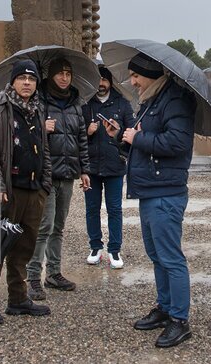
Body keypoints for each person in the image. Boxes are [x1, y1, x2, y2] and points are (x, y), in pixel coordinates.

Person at [121, 53, 196, 349]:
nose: (132, 81)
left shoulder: (174, 100)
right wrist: (123, 138)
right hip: (152, 189)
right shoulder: (153, 100)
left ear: (149, 74)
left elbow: (178, 143)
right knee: (157, 255)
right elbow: (146, 142)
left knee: (170, 257)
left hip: (166, 192)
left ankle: (180, 320)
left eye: (135, 75)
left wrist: (136, 139)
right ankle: (165, 308)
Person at [0, 59, 52, 325]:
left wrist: (46, 184)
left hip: (33, 191)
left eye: (32, 79)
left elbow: (44, 149)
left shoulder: (37, 110)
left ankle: (18, 299)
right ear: (13, 81)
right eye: (22, 78)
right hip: (7, 191)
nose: (27, 83)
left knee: (23, 249)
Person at [26, 57, 91, 300]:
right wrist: (41, 127)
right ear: (51, 75)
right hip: (45, 172)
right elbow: (23, 132)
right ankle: (33, 276)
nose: (64, 78)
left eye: (68, 73)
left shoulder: (75, 102)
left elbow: (81, 138)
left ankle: (53, 273)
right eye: (60, 73)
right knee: (44, 226)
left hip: (68, 173)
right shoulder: (37, 101)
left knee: (59, 227)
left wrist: (85, 170)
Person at [82, 64, 135, 269]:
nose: (101, 84)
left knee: (114, 209)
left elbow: (130, 133)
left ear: (110, 82)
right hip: (91, 166)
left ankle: (114, 249)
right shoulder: (86, 104)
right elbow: (77, 134)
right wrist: (87, 131)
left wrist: (119, 131)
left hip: (115, 165)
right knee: (92, 209)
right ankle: (95, 247)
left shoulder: (123, 104)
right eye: (97, 80)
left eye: (104, 80)